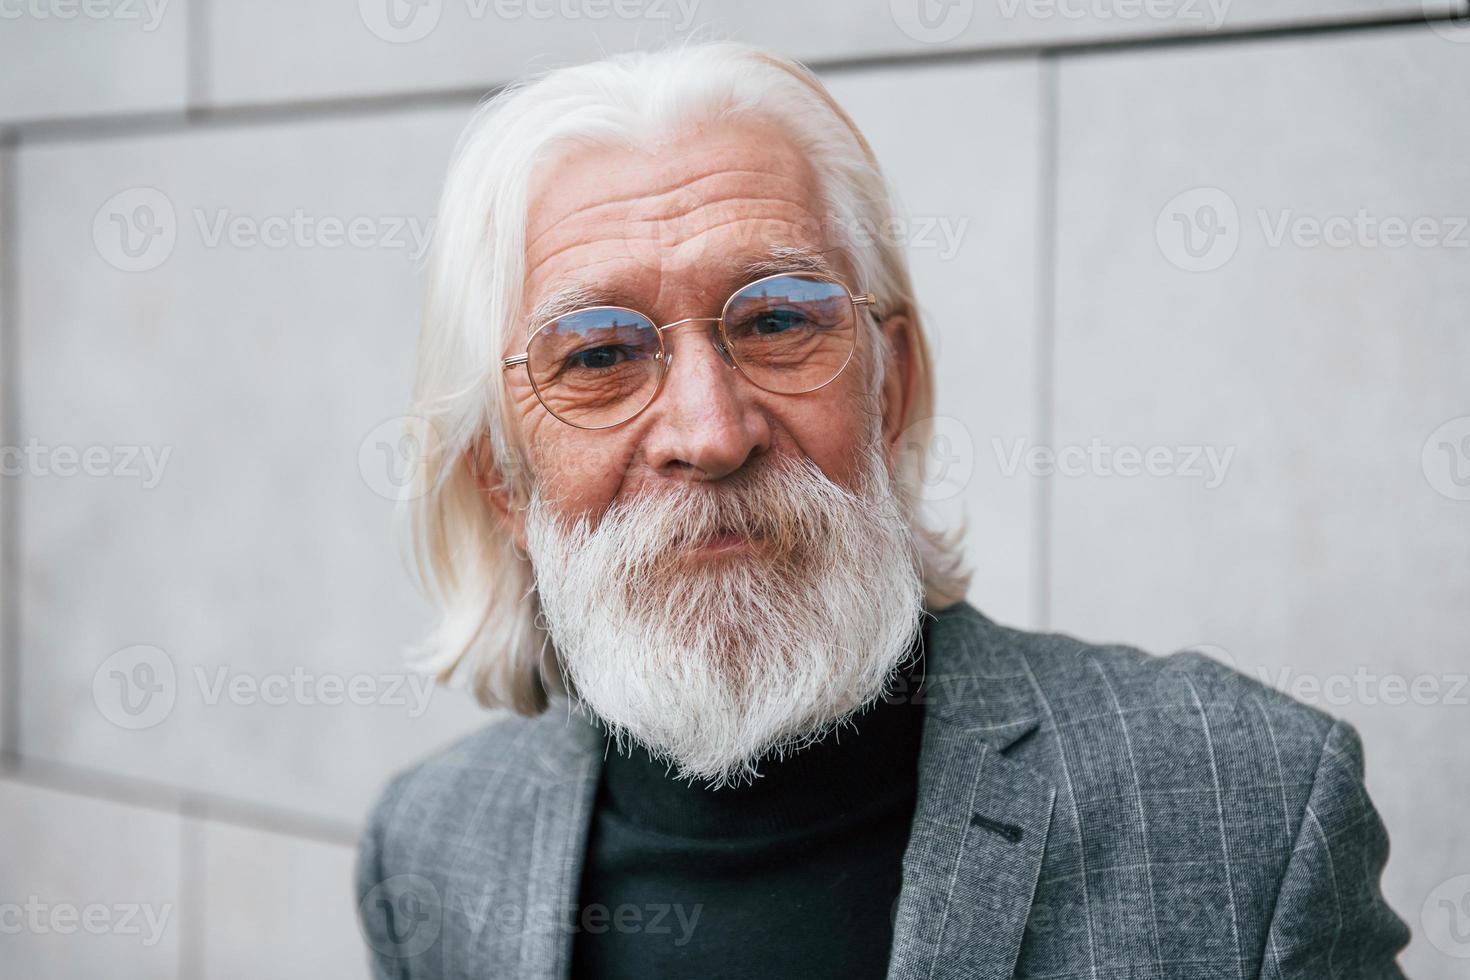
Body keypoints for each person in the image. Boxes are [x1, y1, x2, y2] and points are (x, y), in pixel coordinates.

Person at [354, 41, 1410, 980]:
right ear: (503, 477)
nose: (712, 432)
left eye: (775, 319)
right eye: (598, 355)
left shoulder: (1244, 807)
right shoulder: (430, 847)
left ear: (891, 386)